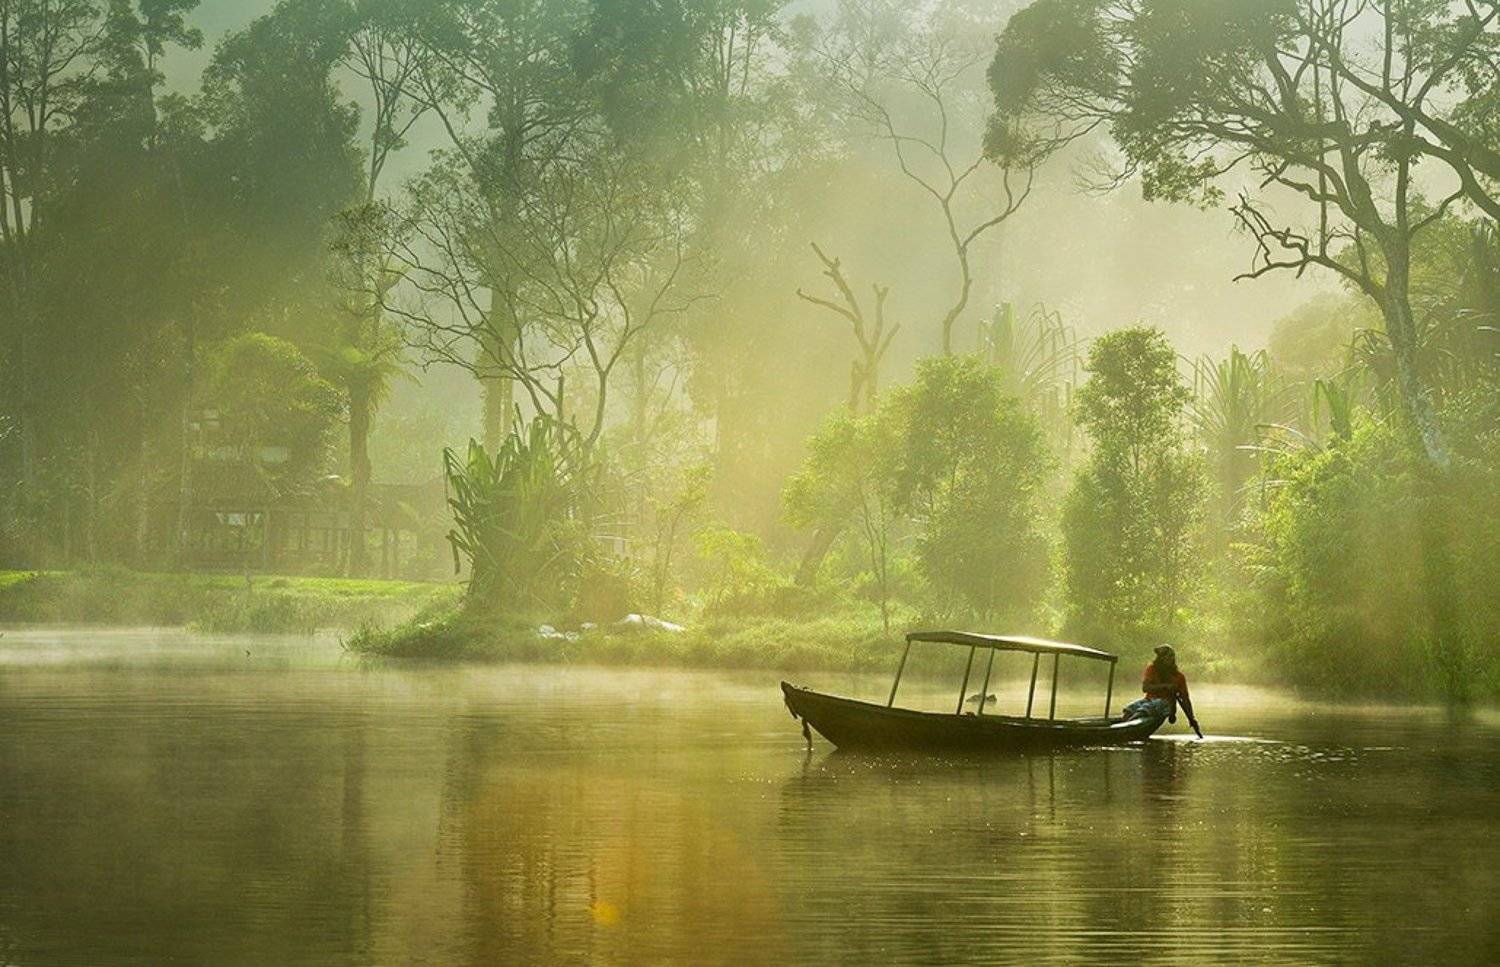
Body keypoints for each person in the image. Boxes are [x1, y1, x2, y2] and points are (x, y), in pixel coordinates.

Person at [1123, 644, 1203, 737]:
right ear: (1161, 659)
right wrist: (1165, 686)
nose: (1172, 659)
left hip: (1165, 704)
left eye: (1173, 657)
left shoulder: (1178, 677)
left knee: (1149, 708)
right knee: (1130, 709)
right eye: (1168, 657)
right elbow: (1145, 688)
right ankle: (1125, 723)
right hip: (1148, 701)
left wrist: (1192, 719)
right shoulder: (1152, 669)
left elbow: (1185, 699)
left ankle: (1128, 725)